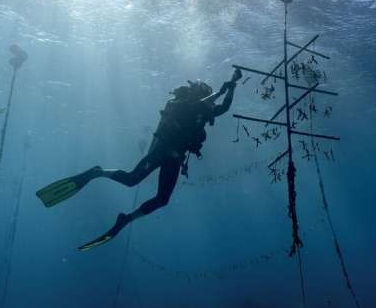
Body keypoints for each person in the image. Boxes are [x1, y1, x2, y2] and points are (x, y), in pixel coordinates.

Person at [36, 68, 242, 251]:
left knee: (162, 200)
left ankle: (126, 219)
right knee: (131, 180)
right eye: (205, 93)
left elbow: (224, 108)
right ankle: (96, 172)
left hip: (175, 159)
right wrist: (222, 91)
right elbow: (196, 106)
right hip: (163, 150)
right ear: (198, 93)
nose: (207, 97)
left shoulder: (205, 110)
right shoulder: (181, 104)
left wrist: (232, 85)